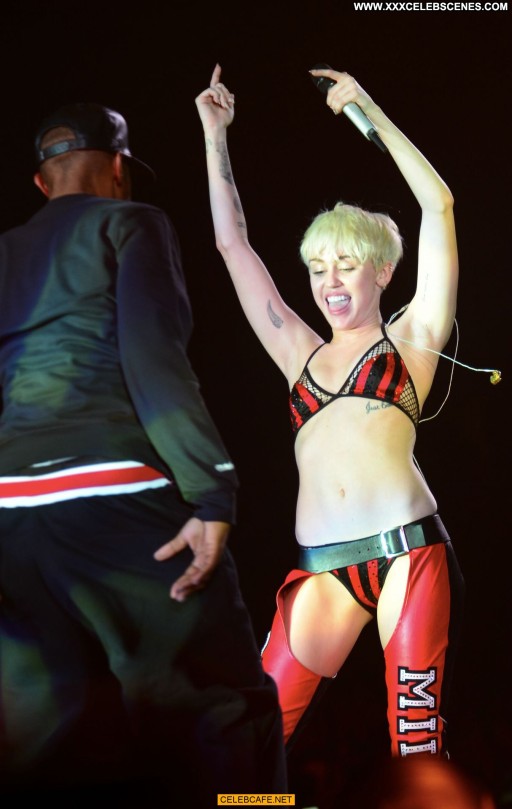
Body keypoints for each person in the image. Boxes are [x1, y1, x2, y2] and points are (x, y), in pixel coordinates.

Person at [0, 102, 286, 806]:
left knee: (44, 739)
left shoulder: (5, 251)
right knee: (223, 707)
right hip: (117, 501)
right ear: (119, 169)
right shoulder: (132, 223)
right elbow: (153, 359)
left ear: (40, 183)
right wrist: (212, 492)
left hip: (12, 519)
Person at [195, 64, 465, 758]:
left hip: (407, 553)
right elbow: (232, 246)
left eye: (346, 264)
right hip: (324, 569)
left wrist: (367, 112)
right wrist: (215, 134)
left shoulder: (412, 339)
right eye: (318, 268)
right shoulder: (298, 355)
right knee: (253, 750)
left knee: (415, 745)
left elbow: (438, 205)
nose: (330, 281)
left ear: (382, 271)